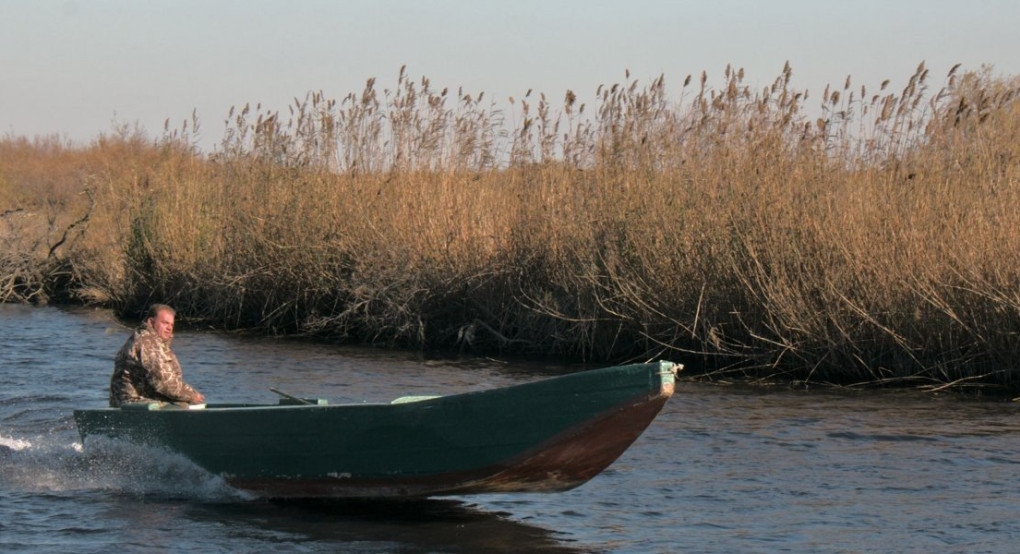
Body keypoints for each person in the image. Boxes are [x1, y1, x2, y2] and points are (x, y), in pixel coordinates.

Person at [109, 303, 206, 407]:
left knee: (181, 404)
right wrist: (192, 395)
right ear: (151, 322)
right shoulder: (146, 343)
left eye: (171, 324)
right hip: (133, 404)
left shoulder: (158, 344)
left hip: (146, 402)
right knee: (181, 406)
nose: (169, 328)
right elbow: (163, 382)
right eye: (165, 323)